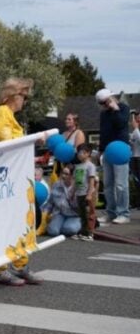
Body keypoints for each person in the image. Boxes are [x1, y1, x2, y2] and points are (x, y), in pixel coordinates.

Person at [0, 77, 43, 285]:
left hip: (15, 178)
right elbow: (6, 142)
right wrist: (33, 139)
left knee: (21, 222)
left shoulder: (9, 115)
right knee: (3, 223)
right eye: (23, 97)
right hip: (2, 179)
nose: (24, 102)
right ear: (13, 96)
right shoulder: (1, 113)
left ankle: (19, 265)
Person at [95, 88, 131, 224]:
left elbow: (121, 124)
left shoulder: (124, 108)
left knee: (121, 184)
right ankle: (111, 212)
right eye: (101, 104)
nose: (104, 106)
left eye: (105, 102)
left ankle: (124, 213)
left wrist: (115, 109)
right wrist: (100, 150)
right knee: (108, 184)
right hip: (108, 150)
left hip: (120, 149)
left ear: (111, 98)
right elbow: (103, 132)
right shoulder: (104, 114)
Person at [44, 166, 81, 237]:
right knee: (53, 232)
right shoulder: (56, 185)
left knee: (70, 229)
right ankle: (59, 225)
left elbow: (79, 207)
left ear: (72, 176)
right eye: (62, 173)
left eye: (66, 174)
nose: (63, 176)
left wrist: (72, 195)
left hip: (75, 215)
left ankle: (79, 224)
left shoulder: (78, 188)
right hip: (60, 213)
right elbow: (50, 202)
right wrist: (44, 214)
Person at [74, 143, 98, 240]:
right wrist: (73, 192)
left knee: (89, 214)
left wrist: (89, 193)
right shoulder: (78, 166)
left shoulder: (90, 166)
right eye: (78, 153)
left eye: (82, 152)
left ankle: (90, 233)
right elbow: (76, 181)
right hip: (79, 193)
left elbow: (92, 181)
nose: (79, 155)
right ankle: (82, 231)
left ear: (88, 153)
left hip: (87, 194)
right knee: (82, 213)